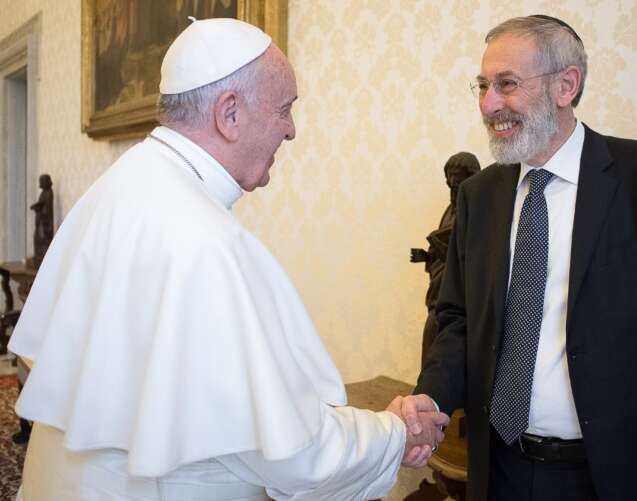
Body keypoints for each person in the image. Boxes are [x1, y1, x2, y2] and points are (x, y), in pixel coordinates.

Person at [10, 18, 447, 501]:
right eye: (284, 110)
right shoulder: (202, 241)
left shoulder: (124, 182)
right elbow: (293, 454)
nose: (292, 131)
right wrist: (394, 433)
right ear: (230, 113)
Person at [399, 15, 637, 501]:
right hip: (501, 469)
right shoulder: (479, 195)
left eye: (506, 84)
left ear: (566, 85)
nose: (489, 104)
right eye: (483, 86)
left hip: (617, 474)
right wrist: (430, 398)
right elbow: (458, 322)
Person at [410, 152, 480, 365]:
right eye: (450, 180)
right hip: (439, 288)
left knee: (443, 338)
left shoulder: (479, 210)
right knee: (432, 337)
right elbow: (446, 250)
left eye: (458, 179)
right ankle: (428, 390)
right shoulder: (450, 210)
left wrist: (446, 249)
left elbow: (475, 256)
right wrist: (428, 256)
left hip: (461, 298)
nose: (453, 183)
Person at [29, 174, 54, 269]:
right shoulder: (44, 192)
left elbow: (47, 209)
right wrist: (36, 206)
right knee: (37, 239)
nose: (40, 183)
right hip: (40, 222)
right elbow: (41, 203)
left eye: (42, 181)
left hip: (45, 224)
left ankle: (42, 259)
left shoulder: (49, 193)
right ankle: (38, 258)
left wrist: (38, 208)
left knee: (43, 240)